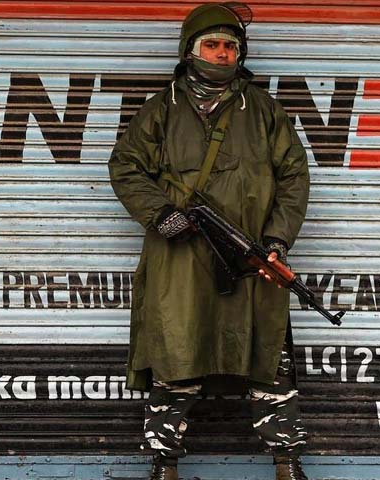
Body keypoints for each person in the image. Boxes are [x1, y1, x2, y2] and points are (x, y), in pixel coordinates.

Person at [109, 3, 311, 479]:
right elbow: (125, 167)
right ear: (190, 50)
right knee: (176, 354)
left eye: (230, 47)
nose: (222, 55)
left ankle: (286, 462)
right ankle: (164, 464)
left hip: (249, 259)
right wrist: (160, 215)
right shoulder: (160, 111)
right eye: (213, 45)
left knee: (269, 360)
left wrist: (277, 241)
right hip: (179, 258)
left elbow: (294, 178)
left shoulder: (264, 112)